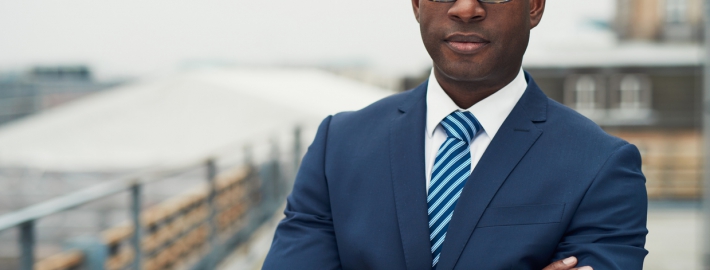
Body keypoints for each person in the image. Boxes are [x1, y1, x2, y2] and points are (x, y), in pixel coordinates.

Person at [263, 0, 648, 269]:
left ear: (534, 6)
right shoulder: (339, 145)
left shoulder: (602, 166)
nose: (466, 8)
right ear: (416, 4)